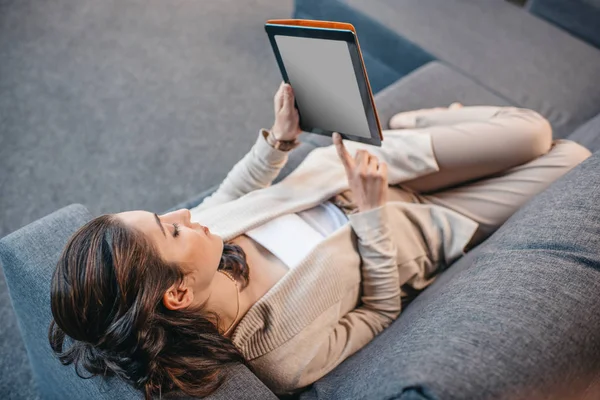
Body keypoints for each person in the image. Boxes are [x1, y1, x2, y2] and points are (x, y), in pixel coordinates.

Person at [48, 81, 591, 399]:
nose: (186, 211)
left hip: (351, 169)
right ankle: (426, 124)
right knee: (572, 160)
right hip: (416, 223)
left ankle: (411, 121)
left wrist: (277, 143)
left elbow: (230, 194)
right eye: (170, 228)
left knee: (533, 133)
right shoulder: (281, 356)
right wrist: (373, 215)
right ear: (178, 295)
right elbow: (378, 314)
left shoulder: (205, 245)